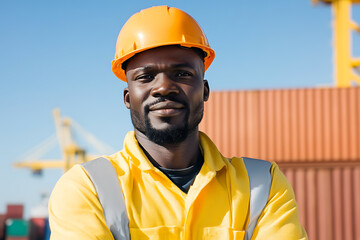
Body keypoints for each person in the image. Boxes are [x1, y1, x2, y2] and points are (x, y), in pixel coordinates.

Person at [48, 5, 308, 240]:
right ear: (128, 98)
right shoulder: (87, 188)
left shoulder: (263, 185)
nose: (163, 87)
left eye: (182, 74)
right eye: (146, 76)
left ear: (204, 90)